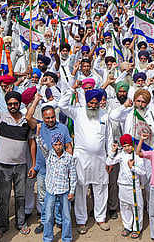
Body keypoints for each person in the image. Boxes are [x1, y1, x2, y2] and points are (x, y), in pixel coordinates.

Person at [0, 76, 37, 237]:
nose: (13, 106)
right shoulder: (1, 117)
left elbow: (31, 144)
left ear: (19, 104)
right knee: (4, 197)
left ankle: (20, 223)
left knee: (20, 196)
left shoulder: (26, 121)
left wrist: (33, 164)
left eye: (15, 103)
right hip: (3, 165)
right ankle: (2, 225)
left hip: (21, 165)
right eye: (10, 104)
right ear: (6, 105)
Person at [58, 84, 113, 233]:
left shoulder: (104, 115)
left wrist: (110, 158)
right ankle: (81, 221)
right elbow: (61, 104)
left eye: (96, 103)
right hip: (81, 159)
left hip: (101, 159)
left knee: (100, 188)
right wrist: (71, 89)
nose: (94, 106)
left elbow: (109, 138)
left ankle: (100, 218)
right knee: (81, 189)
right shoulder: (78, 112)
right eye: (91, 103)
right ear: (87, 102)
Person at [36, 132, 76, 242]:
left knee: (66, 216)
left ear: (62, 144)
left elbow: (73, 175)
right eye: (55, 145)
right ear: (52, 145)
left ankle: (67, 238)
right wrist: (38, 134)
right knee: (48, 216)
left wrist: (72, 191)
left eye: (60, 144)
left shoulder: (68, 158)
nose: (58, 147)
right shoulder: (49, 154)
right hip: (51, 190)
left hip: (64, 190)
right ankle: (48, 238)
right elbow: (40, 144)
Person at [106, 134, 146, 239]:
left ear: (132, 145)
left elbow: (142, 172)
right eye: (124, 146)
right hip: (122, 185)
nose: (127, 148)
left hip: (133, 186)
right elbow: (109, 162)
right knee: (124, 206)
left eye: (128, 145)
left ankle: (137, 228)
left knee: (137, 207)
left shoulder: (137, 155)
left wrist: (133, 168)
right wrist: (113, 151)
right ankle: (127, 226)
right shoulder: (121, 155)